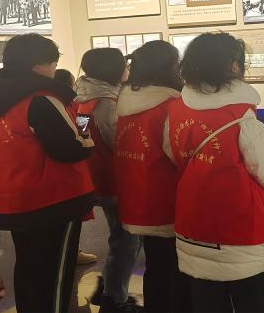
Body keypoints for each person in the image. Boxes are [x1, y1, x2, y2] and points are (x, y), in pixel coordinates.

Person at [166, 32, 264, 313]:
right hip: (242, 231)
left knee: (207, 303)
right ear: (233, 66)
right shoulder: (242, 115)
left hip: (194, 224)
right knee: (253, 305)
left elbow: (171, 152)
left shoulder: (176, 109)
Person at [0, 33, 95, 313]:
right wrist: (87, 137)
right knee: (55, 274)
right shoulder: (41, 98)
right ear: (37, 65)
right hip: (53, 199)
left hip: (11, 198)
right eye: (52, 63)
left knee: (29, 267)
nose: (54, 69)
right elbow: (70, 148)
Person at [114, 41, 190, 313]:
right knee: (176, 270)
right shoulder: (170, 106)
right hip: (166, 200)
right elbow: (179, 155)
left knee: (156, 266)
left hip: (137, 196)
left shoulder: (126, 102)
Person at [75, 48, 142, 313]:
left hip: (97, 177)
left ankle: (109, 290)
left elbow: (85, 136)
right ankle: (114, 298)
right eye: (124, 64)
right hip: (115, 180)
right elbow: (120, 143)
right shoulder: (106, 102)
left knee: (122, 237)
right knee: (126, 240)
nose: (128, 68)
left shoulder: (84, 99)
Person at [54, 68, 99, 267]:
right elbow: (82, 130)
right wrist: (86, 139)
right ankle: (72, 252)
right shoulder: (70, 104)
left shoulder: (63, 103)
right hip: (72, 166)